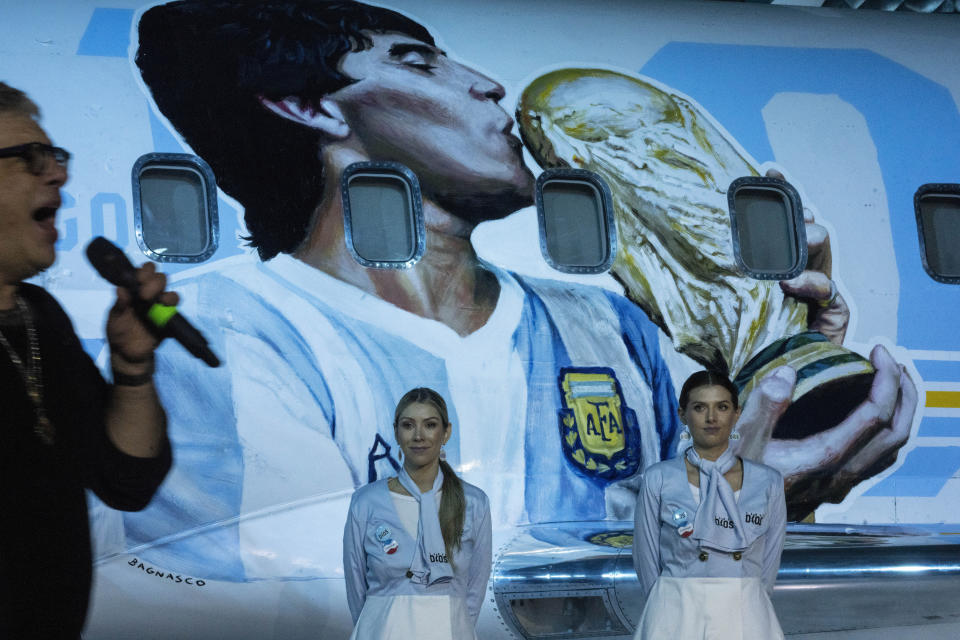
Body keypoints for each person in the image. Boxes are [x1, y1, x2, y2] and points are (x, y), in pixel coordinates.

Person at [123, 0, 913, 581]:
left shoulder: (604, 322)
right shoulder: (223, 334)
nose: (492, 87)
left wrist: (780, 412)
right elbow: (296, 591)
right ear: (307, 105)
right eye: (416, 62)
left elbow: (701, 555)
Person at [0, 82, 173, 638]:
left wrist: (132, 369)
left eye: (55, 157)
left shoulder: (38, 315)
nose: (58, 175)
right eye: (31, 158)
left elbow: (126, 480)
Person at [632, 370, 787, 640]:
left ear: (736, 414)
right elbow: (645, 559)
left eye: (722, 407)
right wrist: (668, 601)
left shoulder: (768, 481)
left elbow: (769, 563)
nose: (712, 418)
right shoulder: (659, 477)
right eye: (700, 407)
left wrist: (746, 594)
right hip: (675, 609)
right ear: (683, 415)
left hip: (745, 609)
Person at [343, 388, 492, 640]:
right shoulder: (366, 502)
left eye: (430, 425)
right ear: (396, 432)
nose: (419, 436)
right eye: (408, 425)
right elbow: (356, 589)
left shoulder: (474, 503)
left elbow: (475, 590)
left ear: (446, 432)